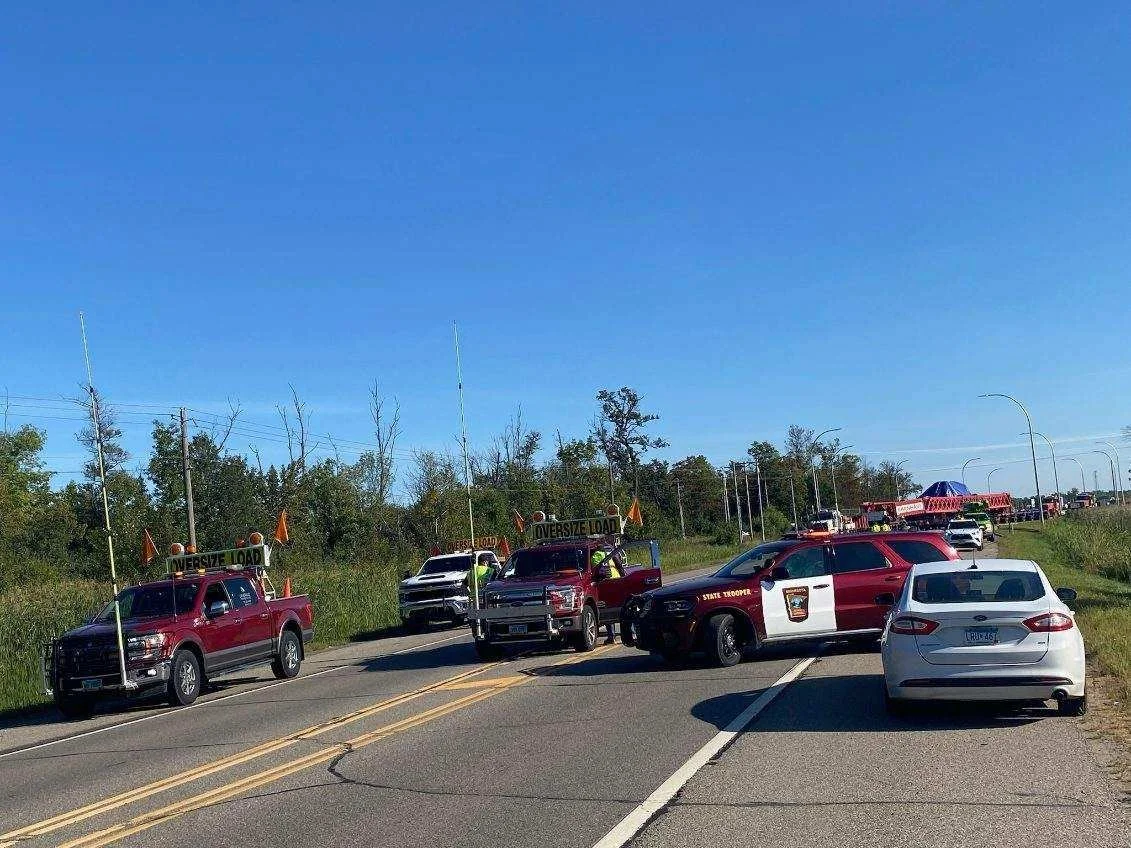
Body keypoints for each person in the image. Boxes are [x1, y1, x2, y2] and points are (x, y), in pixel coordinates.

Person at [591, 549, 620, 644]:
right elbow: (619, 565)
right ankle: (632, 633)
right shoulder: (610, 552)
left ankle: (612, 637)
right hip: (617, 580)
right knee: (622, 608)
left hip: (606, 583)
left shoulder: (596, 555)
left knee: (607, 609)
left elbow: (594, 571)